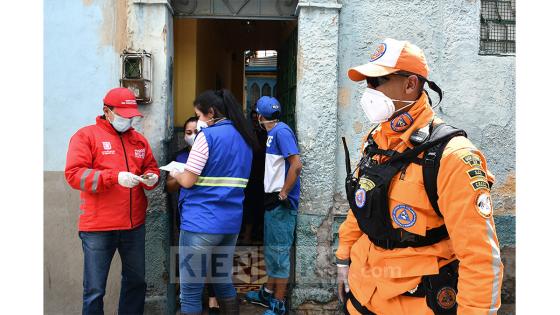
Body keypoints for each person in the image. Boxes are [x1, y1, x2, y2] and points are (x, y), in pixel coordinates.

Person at [336, 38, 503, 314]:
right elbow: (362, 204)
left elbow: (481, 258)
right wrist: (343, 257)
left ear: (410, 84)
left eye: (376, 81)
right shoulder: (375, 141)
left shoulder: (452, 156)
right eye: (366, 82)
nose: (368, 90)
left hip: (416, 302)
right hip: (363, 296)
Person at [64, 87, 160, 315]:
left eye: (132, 117)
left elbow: (151, 167)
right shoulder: (86, 136)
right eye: (124, 116)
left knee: (136, 283)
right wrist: (113, 177)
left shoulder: (139, 141)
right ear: (107, 111)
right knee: (95, 290)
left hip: (133, 226)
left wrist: (151, 178)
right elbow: (74, 174)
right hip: (98, 228)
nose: (129, 121)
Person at [170, 89, 257, 315]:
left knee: (190, 291)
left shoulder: (206, 137)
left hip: (200, 223)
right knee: (222, 279)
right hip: (230, 224)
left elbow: (188, 181)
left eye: (199, 116)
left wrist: (177, 173)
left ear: (211, 112)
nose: (198, 121)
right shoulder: (244, 137)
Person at [245, 96, 302, 315]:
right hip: (271, 200)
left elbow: (296, 164)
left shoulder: (281, 132)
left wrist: (285, 191)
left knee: (279, 254)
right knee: (272, 251)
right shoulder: (273, 132)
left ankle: (278, 303)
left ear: (259, 116)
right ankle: (267, 291)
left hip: (281, 203)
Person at [166, 116, 220, 314]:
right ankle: (191, 299)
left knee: (213, 256)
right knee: (191, 260)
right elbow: (169, 186)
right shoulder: (179, 156)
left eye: (196, 132)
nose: (192, 136)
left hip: (210, 212)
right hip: (188, 214)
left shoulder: (213, 154)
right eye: (188, 133)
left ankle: (213, 296)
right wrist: (181, 176)